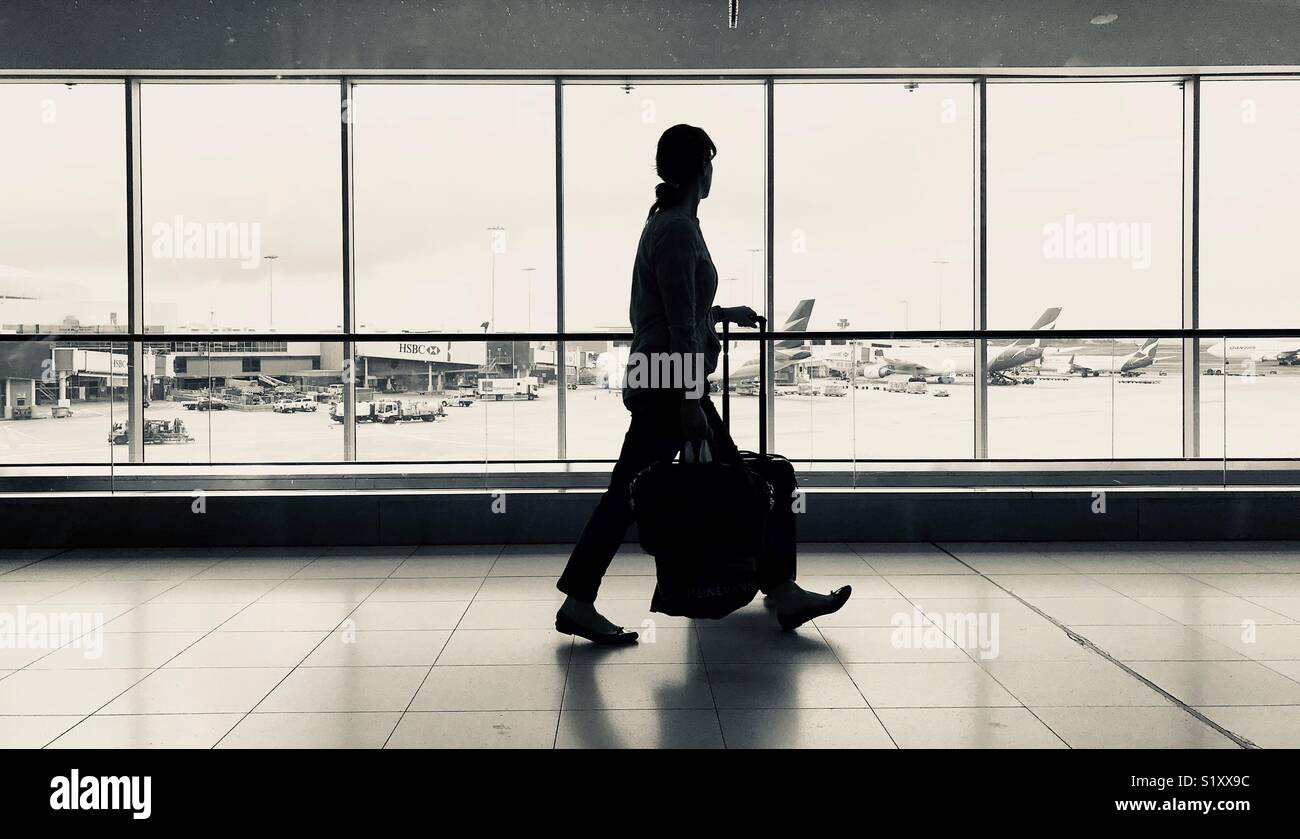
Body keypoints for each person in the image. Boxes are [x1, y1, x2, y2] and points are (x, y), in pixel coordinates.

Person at [555, 124, 851, 645]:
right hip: (671, 384)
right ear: (701, 170)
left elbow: (683, 309)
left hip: (662, 379)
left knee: (638, 492)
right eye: (710, 163)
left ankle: (582, 600)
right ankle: (780, 593)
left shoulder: (667, 225)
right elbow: (675, 321)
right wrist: (692, 398)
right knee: (746, 484)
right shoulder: (677, 230)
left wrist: (720, 311)